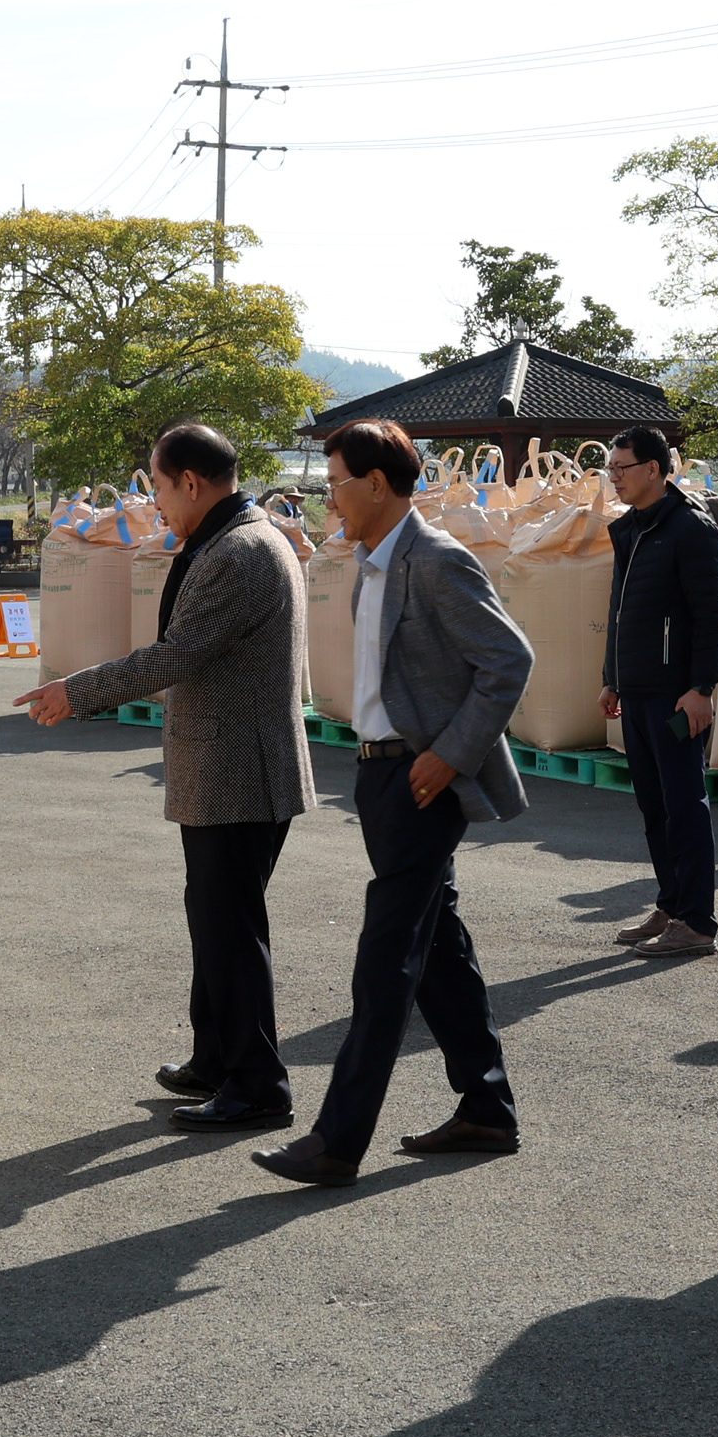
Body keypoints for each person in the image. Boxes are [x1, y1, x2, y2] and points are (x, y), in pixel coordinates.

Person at [251, 417, 529, 1187]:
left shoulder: (437, 560)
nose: (327, 498)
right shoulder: (370, 560)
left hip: (423, 777)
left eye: (335, 483)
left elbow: (509, 660)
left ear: (376, 484)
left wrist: (449, 752)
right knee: (438, 948)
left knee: (385, 961)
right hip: (380, 774)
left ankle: (337, 1140)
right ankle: (487, 1107)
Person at [16, 424, 314, 1129]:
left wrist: (78, 689)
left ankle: (256, 1085)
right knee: (214, 920)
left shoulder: (240, 550)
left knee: (230, 929)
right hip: (233, 763)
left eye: (156, 485)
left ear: (191, 481)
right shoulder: (238, 536)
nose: (154, 503)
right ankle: (216, 1057)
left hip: (240, 767)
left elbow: (180, 653)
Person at [601, 428, 718, 957]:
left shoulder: (689, 527)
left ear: (654, 469)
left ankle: (696, 920)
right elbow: (618, 610)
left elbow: (710, 614)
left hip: (677, 695)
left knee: (684, 806)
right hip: (636, 689)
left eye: (622, 468)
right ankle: (672, 903)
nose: (615, 477)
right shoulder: (630, 529)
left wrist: (702, 687)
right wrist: (611, 676)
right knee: (654, 807)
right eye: (611, 468)